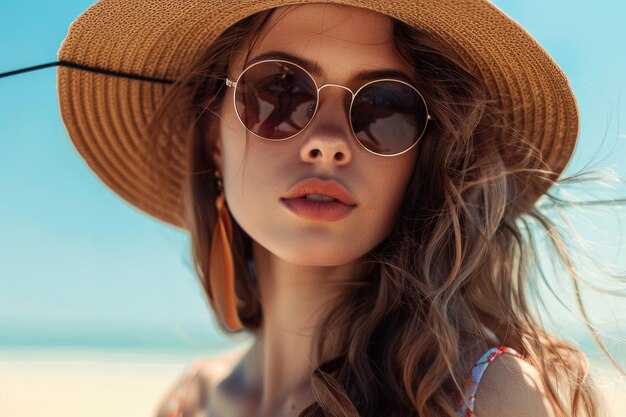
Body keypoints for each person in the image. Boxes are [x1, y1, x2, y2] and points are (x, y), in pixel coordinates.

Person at [51, 1, 624, 416]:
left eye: (385, 106)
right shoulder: (189, 403)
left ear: (422, 157)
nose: (328, 141)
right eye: (280, 91)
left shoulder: (486, 397)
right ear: (213, 140)